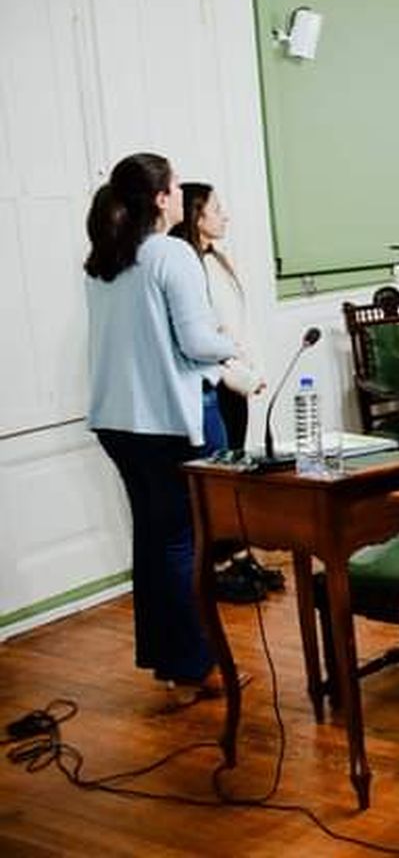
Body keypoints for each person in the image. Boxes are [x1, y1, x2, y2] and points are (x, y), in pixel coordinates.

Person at [85, 153, 240, 709]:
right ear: (160, 199)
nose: (180, 194)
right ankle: (198, 666)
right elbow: (197, 344)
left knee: (154, 543)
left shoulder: (104, 260)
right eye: (174, 187)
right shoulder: (170, 254)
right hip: (173, 422)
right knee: (185, 546)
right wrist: (230, 342)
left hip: (118, 423)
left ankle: (171, 669)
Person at [168, 182, 281, 605]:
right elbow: (207, 336)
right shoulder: (187, 266)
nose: (225, 215)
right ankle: (217, 565)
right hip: (217, 381)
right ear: (196, 215)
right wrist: (240, 376)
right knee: (219, 479)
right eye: (218, 208)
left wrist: (254, 371)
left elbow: (237, 325)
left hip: (238, 376)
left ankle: (238, 555)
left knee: (235, 472)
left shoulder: (216, 259)